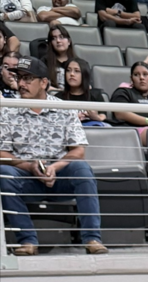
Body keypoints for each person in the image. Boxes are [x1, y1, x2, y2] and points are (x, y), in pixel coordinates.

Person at [0, 56, 107, 255]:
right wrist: (28, 166)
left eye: (27, 79)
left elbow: (78, 150)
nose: (21, 84)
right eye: (19, 78)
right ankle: (28, 241)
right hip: (26, 175)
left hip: (59, 176)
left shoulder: (64, 108)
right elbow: (1, 152)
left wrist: (54, 167)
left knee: (82, 169)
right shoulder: (7, 110)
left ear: (44, 83)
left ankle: (92, 238)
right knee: (4, 173)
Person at [61, 58, 108, 124]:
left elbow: (102, 116)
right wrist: (73, 118)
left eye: (76, 71)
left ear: (85, 75)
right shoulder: (58, 97)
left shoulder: (95, 95)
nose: (71, 74)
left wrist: (95, 117)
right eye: (68, 70)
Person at [45, 25, 78, 90]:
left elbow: (87, 86)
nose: (58, 41)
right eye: (54, 38)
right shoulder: (44, 61)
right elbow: (41, 85)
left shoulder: (78, 63)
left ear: (69, 41)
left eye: (61, 37)